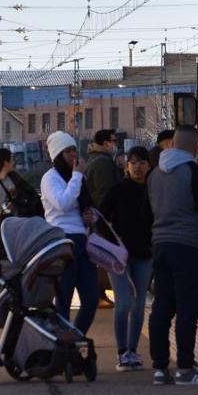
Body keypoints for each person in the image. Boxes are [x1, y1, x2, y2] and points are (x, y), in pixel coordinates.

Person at [147, 126, 198, 385]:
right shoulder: (194, 173)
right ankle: (185, 369)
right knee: (187, 309)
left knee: (161, 308)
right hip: (188, 246)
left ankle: (159, 369)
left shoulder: (154, 174)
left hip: (159, 245)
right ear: (194, 146)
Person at [99, 146, 155, 372]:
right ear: (126, 166)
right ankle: (122, 352)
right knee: (123, 303)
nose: (138, 167)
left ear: (149, 166)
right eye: (133, 162)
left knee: (139, 304)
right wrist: (112, 237)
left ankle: (133, 351)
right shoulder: (118, 190)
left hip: (145, 254)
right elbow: (100, 216)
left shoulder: (154, 190)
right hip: (119, 255)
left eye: (142, 162)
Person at [41, 130, 101, 335]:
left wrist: (91, 216)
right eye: (68, 151)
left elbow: (90, 206)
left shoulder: (78, 178)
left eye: (75, 149)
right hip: (62, 241)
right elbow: (63, 203)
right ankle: (61, 344)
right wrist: (76, 176)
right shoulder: (50, 178)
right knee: (64, 297)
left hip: (82, 241)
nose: (74, 155)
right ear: (58, 154)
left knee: (91, 298)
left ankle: (75, 337)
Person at [85, 129, 123, 310]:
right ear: (106, 143)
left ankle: (99, 294)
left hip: (97, 220)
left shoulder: (97, 160)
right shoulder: (103, 164)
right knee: (103, 257)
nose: (116, 144)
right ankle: (99, 295)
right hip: (103, 221)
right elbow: (106, 193)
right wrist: (108, 220)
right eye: (113, 141)